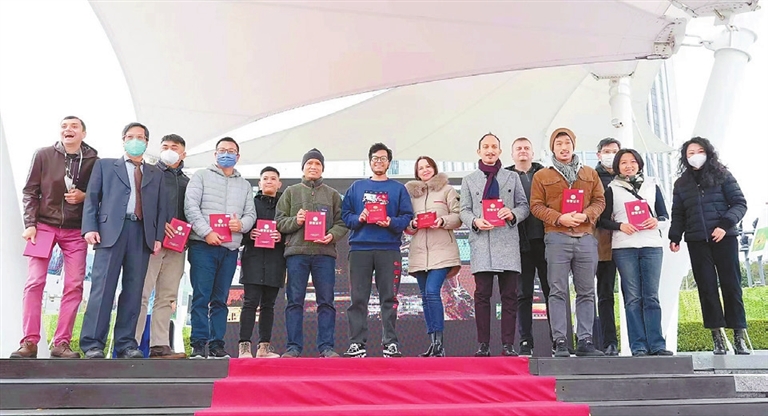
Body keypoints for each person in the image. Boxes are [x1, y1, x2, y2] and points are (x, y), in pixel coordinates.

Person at [11, 116, 98, 359]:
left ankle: (61, 343)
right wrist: (30, 224)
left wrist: (83, 196)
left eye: (74, 126)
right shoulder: (43, 154)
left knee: (74, 285)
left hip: (76, 230)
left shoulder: (94, 160)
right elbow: (30, 191)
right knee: (34, 282)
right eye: (64, 126)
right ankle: (29, 341)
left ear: (83, 133)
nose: (68, 129)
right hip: (43, 226)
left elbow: (98, 194)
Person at [80, 122, 166, 359]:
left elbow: (161, 208)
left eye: (140, 137)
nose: (135, 141)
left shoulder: (155, 173)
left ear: (146, 142)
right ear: (123, 140)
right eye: (130, 136)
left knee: (134, 291)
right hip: (109, 232)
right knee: (102, 289)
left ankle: (126, 343)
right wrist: (89, 227)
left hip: (141, 233)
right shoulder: (105, 165)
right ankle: (93, 344)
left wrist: (158, 237)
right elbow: (92, 198)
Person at [669, 137, 750, 355]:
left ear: (708, 153)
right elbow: (678, 213)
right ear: (685, 158)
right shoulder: (681, 183)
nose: (695, 156)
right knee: (706, 288)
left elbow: (740, 204)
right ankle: (717, 338)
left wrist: (724, 225)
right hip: (697, 241)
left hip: (724, 238)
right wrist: (675, 236)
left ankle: (739, 336)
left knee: (732, 285)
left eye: (699, 151)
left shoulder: (723, 175)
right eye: (690, 153)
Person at [530, 127, 605, 357]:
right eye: (559, 144)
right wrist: (559, 218)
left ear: (574, 145)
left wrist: (587, 215)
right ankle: (560, 340)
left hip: (585, 238)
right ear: (552, 148)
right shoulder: (542, 176)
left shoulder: (590, 173)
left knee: (586, 291)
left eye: (567, 143)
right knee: (557, 291)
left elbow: (600, 200)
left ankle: (585, 340)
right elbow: (536, 206)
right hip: (556, 237)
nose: (564, 148)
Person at [185, 137, 257, 359]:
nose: (226, 154)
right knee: (201, 296)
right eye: (222, 150)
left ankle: (217, 345)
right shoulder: (201, 176)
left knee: (220, 299)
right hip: (203, 245)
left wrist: (241, 225)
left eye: (231, 151)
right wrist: (206, 232)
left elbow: (251, 214)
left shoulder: (244, 185)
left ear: (238, 156)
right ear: (215, 154)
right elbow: (191, 207)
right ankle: (198, 344)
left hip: (229, 248)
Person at [598, 149, 673, 356]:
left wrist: (656, 222)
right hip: (624, 247)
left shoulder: (652, 185)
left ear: (639, 164)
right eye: (623, 163)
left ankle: (657, 344)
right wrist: (620, 226)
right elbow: (602, 220)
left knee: (651, 297)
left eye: (632, 162)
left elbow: (665, 216)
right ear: (617, 166)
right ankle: (638, 346)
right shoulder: (612, 189)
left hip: (651, 246)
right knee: (632, 298)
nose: (628, 166)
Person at [342, 143, 414, 358]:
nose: (379, 162)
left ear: (389, 163)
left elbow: (407, 217)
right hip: (360, 249)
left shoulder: (398, 189)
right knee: (358, 299)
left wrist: (391, 222)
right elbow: (345, 216)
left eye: (383, 158)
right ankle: (357, 343)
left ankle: (390, 343)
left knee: (389, 298)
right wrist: (359, 218)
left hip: (388, 249)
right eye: (375, 158)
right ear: (370, 161)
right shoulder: (356, 187)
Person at [460, 133, 529, 357]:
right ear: (479, 151)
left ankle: (508, 344)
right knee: (482, 296)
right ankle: (483, 344)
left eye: (494, 147)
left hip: (507, 241)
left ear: (500, 151)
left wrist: (512, 213)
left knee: (510, 296)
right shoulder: (469, 180)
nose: (490, 150)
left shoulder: (512, 177)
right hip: (482, 242)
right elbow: (463, 210)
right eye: (486, 147)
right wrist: (475, 221)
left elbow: (524, 206)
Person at [275, 149, 348, 358]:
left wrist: (331, 236)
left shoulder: (332, 194)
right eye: (309, 163)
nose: (313, 167)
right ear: (303, 167)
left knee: (326, 301)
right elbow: (279, 222)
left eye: (317, 164)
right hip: (296, 253)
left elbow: (342, 222)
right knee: (294, 301)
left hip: (324, 253)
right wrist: (296, 221)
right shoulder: (291, 192)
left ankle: (326, 347)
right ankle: (293, 347)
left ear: (322, 168)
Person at [134, 134, 189, 359]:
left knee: (167, 297)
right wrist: (158, 225)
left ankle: (160, 345)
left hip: (177, 246)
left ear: (183, 153)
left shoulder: (188, 182)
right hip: (151, 243)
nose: (169, 150)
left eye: (174, 147)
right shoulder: (148, 173)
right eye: (165, 146)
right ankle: (131, 344)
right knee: (141, 293)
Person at [404, 156, 461, 357]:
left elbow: (458, 216)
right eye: (421, 168)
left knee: (431, 292)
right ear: (416, 172)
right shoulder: (411, 196)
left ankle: (439, 343)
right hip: (419, 253)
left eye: (428, 166)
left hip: (442, 251)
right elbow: (406, 223)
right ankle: (433, 343)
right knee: (425, 297)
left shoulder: (447, 190)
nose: (425, 170)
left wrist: (443, 220)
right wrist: (412, 224)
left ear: (434, 169)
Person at [505, 137, 549, 356]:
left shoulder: (546, 174)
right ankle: (525, 341)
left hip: (547, 240)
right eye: (518, 148)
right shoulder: (504, 177)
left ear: (533, 153)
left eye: (526, 148)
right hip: (518, 243)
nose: (523, 151)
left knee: (553, 292)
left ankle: (558, 340)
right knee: (523, 293)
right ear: (512, 154)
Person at [238, 166, 286, 359]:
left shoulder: (284, 205)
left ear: (279, 183)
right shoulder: (249, 204)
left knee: (269, 305)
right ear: (259, 183)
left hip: (275, 260)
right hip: (253, 259)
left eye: (273, 178)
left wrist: (281, 237)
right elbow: (239, 229)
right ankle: (244, 347)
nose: (269, 181)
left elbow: (291, 229)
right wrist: (249, 235)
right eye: (265, 178)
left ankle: (264, 348)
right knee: (250, 303)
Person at [594, 138, 621, 355]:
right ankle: (608, 341)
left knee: (635, 294)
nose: (610, 155)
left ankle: (643, 342)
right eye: (606, 151)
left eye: (614, 151)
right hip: (602, 242)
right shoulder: (591, 177)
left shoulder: (630, 177)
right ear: (599, 154)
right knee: (604, 293)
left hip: (630, 240)